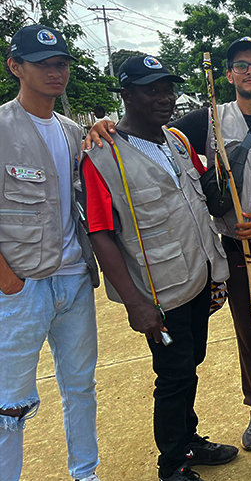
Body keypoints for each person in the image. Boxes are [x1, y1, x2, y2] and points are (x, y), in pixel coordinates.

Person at [85, 38, 251, 448]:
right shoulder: (203, 122)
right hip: (238, 252)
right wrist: (102, 123)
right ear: (229, 74)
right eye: (241, 65)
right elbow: (141, 132)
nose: (250, 72)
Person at [82, 56, 238, 481]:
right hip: (159, 293)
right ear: (126, 95)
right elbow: (100, 233)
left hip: (197, 277)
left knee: (191, 363)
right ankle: (172, 464)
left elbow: (204, 191)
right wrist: (136, 304)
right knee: (173, 376)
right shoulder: (102, 156)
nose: (165, 98)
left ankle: (189, 439)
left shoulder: (176, 141)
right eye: (152, 90)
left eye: (168, 89)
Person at [0, 24, 101, 481]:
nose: (55, 72)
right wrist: (6, 278)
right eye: (43, 64)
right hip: (22, 287)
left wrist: (102, 128)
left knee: (80, 387)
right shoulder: (2, 128)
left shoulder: (72, 130)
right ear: (16, 66)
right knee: (10, 402)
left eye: (61, 63)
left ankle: (86, 473)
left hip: (74, 279)